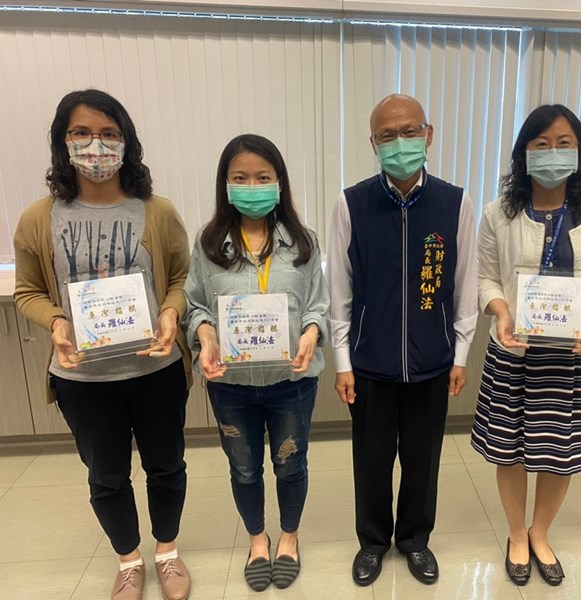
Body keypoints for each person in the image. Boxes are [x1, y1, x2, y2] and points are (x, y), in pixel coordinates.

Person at [13, 89, 192, 600]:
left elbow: (181, 278)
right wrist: (55, 322)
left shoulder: (155, 211)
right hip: (83, 378)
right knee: (106, 476)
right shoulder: (39, 218)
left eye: (109, 134)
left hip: (155, 370)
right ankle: (129, 560)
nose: (96, 146)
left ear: (126, 142)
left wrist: (170, 311)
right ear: (63, 142)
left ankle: (167, 553)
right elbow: (28, 290)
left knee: (166, 466)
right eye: (82, 133)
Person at [470, 104, 581, 587]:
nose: (553, 153)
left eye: (564, 144)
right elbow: (485, 278)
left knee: (560, 452)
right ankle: (517, 534)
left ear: (580, 152)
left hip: (576, 355)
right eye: (541, 144)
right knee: (511, 450)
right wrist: (501, 312)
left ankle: (541, 533)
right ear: (524, 153)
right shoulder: (499, 213)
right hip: (516, 353)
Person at [327, 93, 478, 586]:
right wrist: (343, 363)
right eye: (388, 135)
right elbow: (340, 293)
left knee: (422, 461)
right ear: (374, 143)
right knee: (371, 463)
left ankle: (414, 539)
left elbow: (466, 287)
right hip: (370, 364)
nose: (400, 142)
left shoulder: (455, 203)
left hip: (433, 361)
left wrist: (460, 355)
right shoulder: (351, 204)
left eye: (410, 131)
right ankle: (372, 542)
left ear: (428, 135)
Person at [183, 134, 328, 591]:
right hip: (231, 384)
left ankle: (289, 538)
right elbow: (195, 305)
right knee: (244, 468)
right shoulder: (209, 243)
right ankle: (257, 540)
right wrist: (205, 335)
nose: (252, 187)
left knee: (290, 464)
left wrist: (311, 334)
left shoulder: (303, 243)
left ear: (279, 182)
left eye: (262, 177)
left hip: (291, 380)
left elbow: (318, 305)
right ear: (225, 184)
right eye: (240, 178)